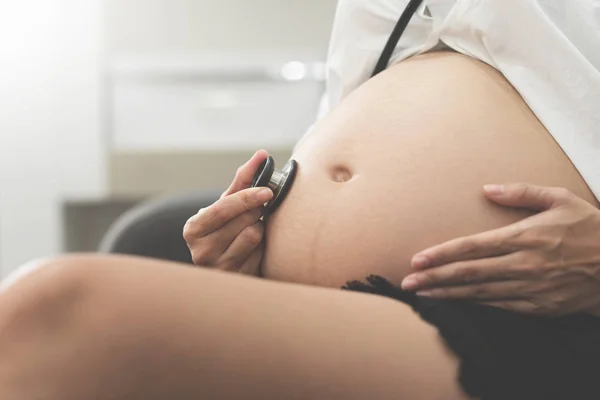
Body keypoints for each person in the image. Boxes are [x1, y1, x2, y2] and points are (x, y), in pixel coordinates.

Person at [1, 1, 600, 399]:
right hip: (362, 299)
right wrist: (257, 244)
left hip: (543, 315)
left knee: (59, 311)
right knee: (146, 242)